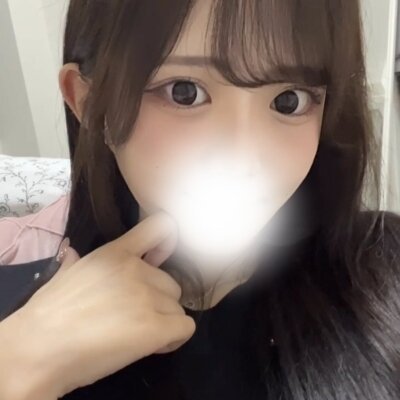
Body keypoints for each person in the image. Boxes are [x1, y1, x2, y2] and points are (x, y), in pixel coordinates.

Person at [0, 0, 399, 399]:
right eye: (184, 92)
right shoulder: (15, 310)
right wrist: (17, 368)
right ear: (89, 103)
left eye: (289, 100)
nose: (244, 158)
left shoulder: (383, 271)